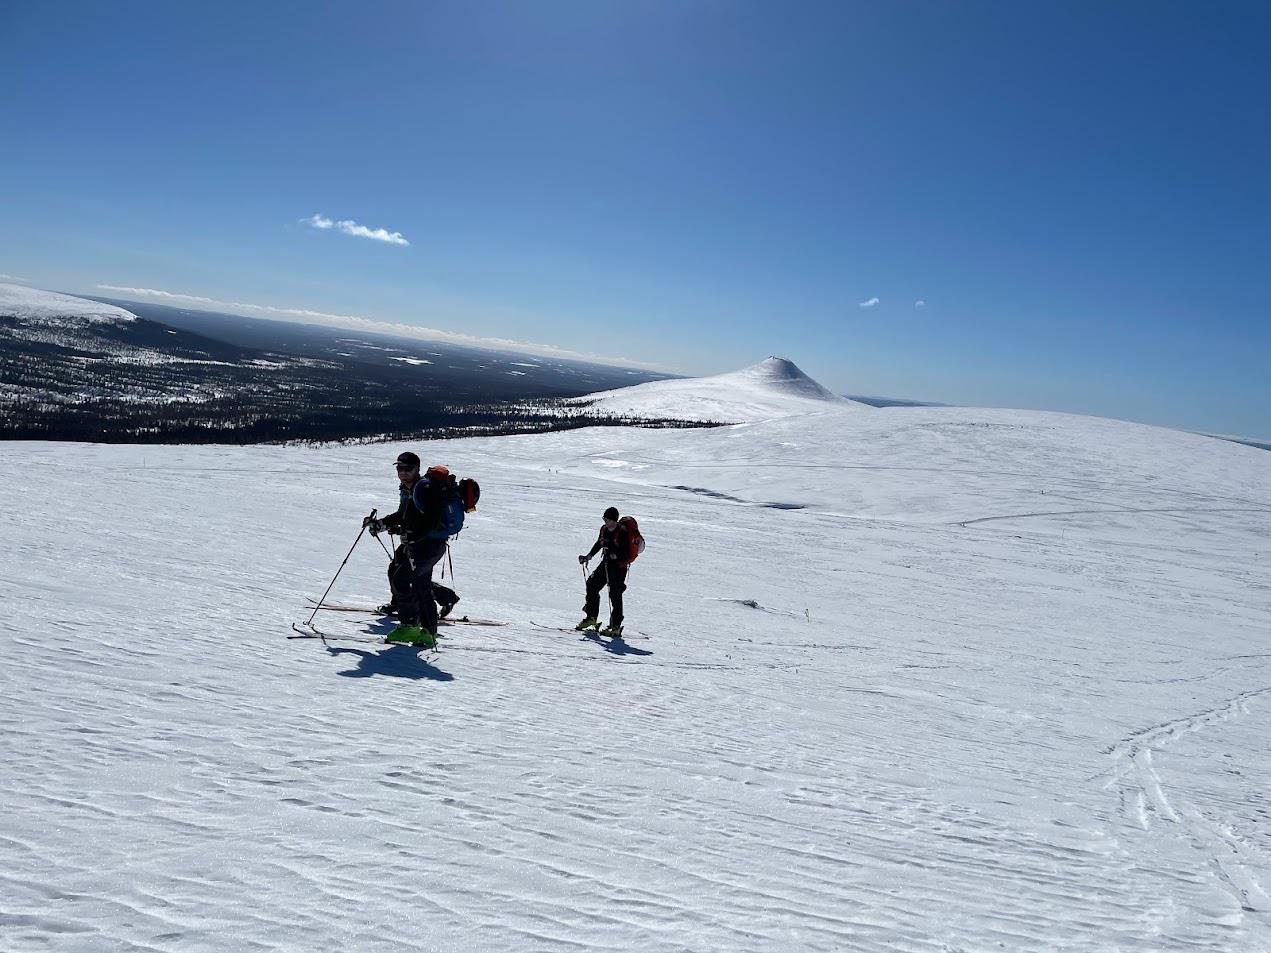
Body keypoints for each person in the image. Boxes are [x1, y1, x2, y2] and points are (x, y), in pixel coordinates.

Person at [363, 453, 451, 647]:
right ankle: (428, 633)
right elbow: (403, 515)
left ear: (417, 469)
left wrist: (413, 535)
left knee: (400, 580)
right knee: (421, 586)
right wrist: (382, 524)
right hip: (426, 546)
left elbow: (432, 520)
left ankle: (409, 626)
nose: (402, 473)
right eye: (399, 469)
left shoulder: (424, 489)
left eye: (407, 469)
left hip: (426, 546)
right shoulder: (412, 489)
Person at [576, 506, 631, 637]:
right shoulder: (604, 529)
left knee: (615, 594)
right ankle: (591, 618)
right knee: (592, 584)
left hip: (619, 567)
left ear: (614, 520)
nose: (605, 521)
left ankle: (615, 626)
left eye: (607, 519)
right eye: (604, 518)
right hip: (606, 563)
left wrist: (616, 556)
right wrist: (589, 556)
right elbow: (599, 543)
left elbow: (626, 553)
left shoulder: (622, 532)